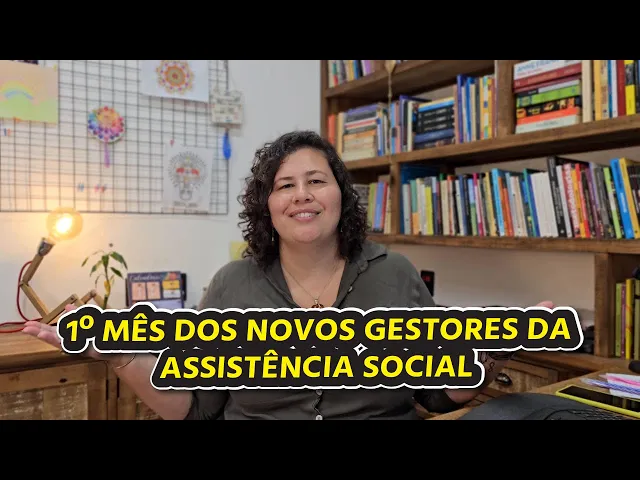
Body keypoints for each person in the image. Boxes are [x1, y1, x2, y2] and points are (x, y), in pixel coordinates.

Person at [22, 130, 553, 420]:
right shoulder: (231, 284)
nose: (302, 194)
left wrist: (486, 361)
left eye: (316, 181)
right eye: (285, 185)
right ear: (268, 207)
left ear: (340, 197)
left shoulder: (394, 273)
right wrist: (118, 356)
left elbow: (432, 396)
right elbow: (198, 409)